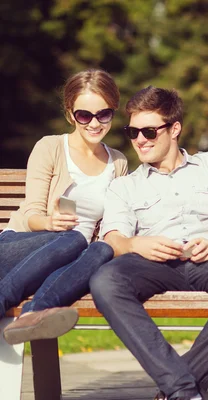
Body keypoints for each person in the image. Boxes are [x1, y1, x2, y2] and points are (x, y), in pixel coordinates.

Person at [89, 86, 208, 400]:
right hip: (151, 263)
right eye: (133, 132)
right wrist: (135, 245)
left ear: (175, 129)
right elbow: (113, 239)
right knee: (105, 280)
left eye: (149, 131)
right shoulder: (124, 187)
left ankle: (178, 387)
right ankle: (185, 389)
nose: (140, 139)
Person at [0, 69, 128, 345]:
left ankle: (31, 318)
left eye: (103, 114)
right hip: (21, 246)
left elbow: (113, 225)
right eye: (85, 115)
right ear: (71, 114)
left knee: (102, 248)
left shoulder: (118, 162)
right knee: (73, 239)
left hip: (71, 259)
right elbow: (32, 214)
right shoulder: (50, 148)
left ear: (113, 112)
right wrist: (49, 222)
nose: (94, 123)